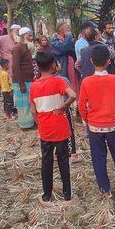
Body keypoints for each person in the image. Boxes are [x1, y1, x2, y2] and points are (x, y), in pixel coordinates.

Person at [79, 45, 115, 198]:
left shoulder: (87, 82)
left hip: (95, 125)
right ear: (109, 62)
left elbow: (82, 105)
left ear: (91, 61)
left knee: (98, 157)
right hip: (112, 123)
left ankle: (105, 189)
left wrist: (86, 119)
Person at [30, 51, 77, 206]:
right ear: (53, 65)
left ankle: (46, 195)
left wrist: (39, 122)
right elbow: (73, 95)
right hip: (61, 127)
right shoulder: (58, 82)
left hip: (45, 129)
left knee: (46, 161)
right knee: (63, 161)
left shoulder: (34, 86)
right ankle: (67, 196)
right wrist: (63, 107)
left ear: (37, 66)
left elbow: (33, 110)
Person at [11, 27, 36, 130]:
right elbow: (15, 66)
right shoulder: (17, 48)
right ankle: (25, 125)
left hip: (28, 79)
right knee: (23, 105)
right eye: (28, 35)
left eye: (31, 35)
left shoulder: (27, 48)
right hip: (21, 81)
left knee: (29, 103)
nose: (30, 38)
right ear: (22, 36)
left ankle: (31, 122)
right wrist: (21, 84)